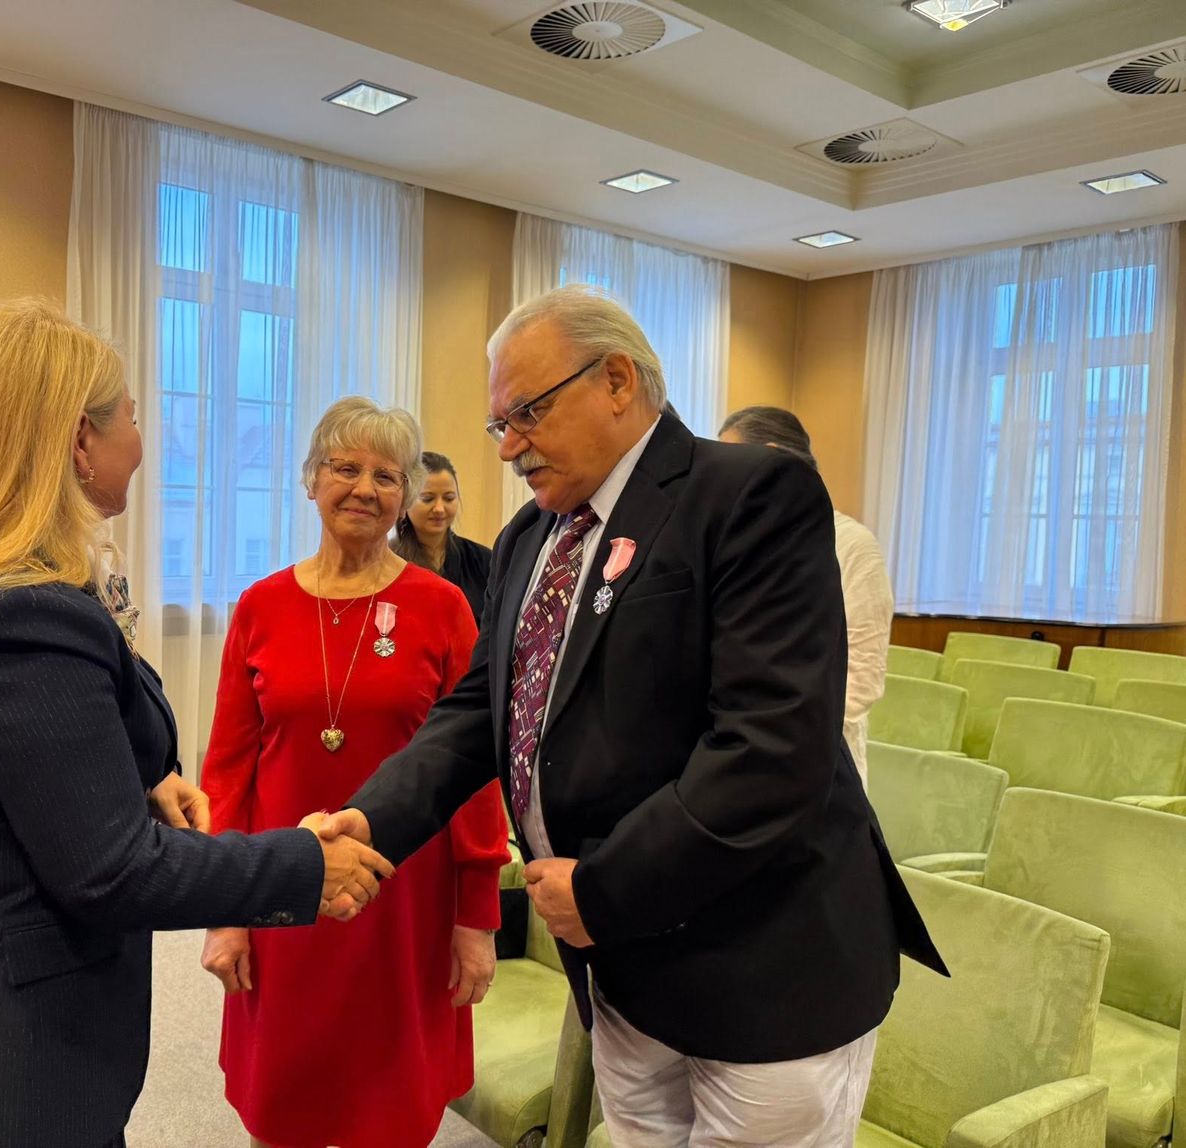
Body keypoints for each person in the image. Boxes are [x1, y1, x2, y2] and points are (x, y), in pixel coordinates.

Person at [322, 286, 944, 1146]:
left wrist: (602, 891)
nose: (508, 446)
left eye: (527, 413)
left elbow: (769, 746)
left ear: (616, 380)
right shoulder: (528, 539)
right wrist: (373, 818)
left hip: (761, 968)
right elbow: (477, 709)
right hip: (619, 967)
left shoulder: (750, 495)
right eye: (500, 423)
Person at [0, 300, 392, 1148]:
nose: (143, 439)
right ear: (80, 442)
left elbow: (13, 770)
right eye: (132, 415)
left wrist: (138, 779)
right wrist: (305, 864)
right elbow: (112, 872)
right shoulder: (19, 616)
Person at [199, 396, 509, 1148]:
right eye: (345, 468)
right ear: (311, 480)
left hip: (407, 898)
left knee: (390, 1105)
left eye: (387, 475)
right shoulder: (260, 606)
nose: (365, 488)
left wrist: (475, 918)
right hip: (282, 884)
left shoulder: (443, 607)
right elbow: (229, 769)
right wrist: (224, 907)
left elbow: (475, 774)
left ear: (405, 496)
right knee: (286, 1096)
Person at [718, 406, 893, 782]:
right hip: (742, 754)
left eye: (732, 462)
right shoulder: (743, 541)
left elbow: (863, 678)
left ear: (771, 459)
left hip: (818, 764)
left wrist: (775, 730)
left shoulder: (853, 545)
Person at [391, 450, 493, 624]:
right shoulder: (387, 561)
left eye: (449, 498)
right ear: (405, 501)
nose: (439, 508)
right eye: (427, 498)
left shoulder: (483, 560)